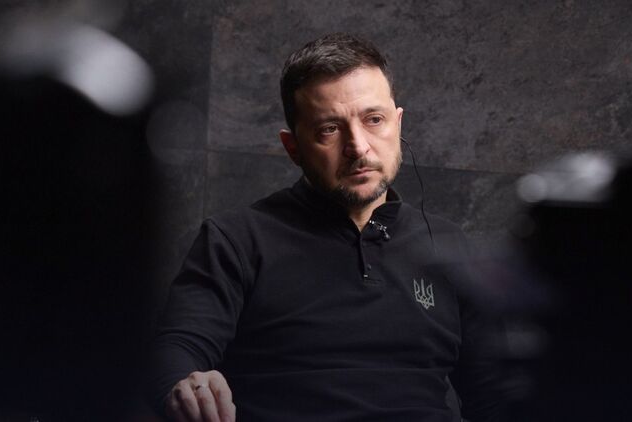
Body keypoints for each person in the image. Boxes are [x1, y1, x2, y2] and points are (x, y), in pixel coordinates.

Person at [151, 32, 509, 422]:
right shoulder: (235, 241)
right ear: (293, 147)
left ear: (397, 123)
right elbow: (176, 351)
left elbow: (494, 396)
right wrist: (185, 385)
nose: (358, 147)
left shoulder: (448, 247)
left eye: (374, 120)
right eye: (329, 129)